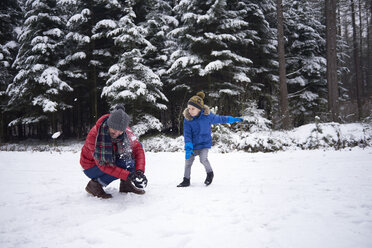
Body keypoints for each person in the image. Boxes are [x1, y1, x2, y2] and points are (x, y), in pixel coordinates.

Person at [80, 105, 148, 198]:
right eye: (114, 130)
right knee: (121, 165)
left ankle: (126, 185)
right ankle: (95, 185)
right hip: (92, 166)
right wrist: (127, 175)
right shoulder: (95, 135)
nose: (117, 134)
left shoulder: (126, 131)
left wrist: (139, 171)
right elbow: (104, 164)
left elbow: (138, 149)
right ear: (109, 124)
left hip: (112, 158)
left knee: (134, 148)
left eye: (120, 131)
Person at [177, 91, 243, 187]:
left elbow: (220, 119)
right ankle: (186, 180)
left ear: (199, 109)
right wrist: (188, 145)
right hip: (193, 145)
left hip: (204, 144)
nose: (190, 111)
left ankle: (210, 174)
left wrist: (232, 119)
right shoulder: (187, 119)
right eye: (189, 108)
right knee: (188, 162)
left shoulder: (208, 116)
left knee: (203, 159)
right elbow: (187, 134)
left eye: (193, 109)